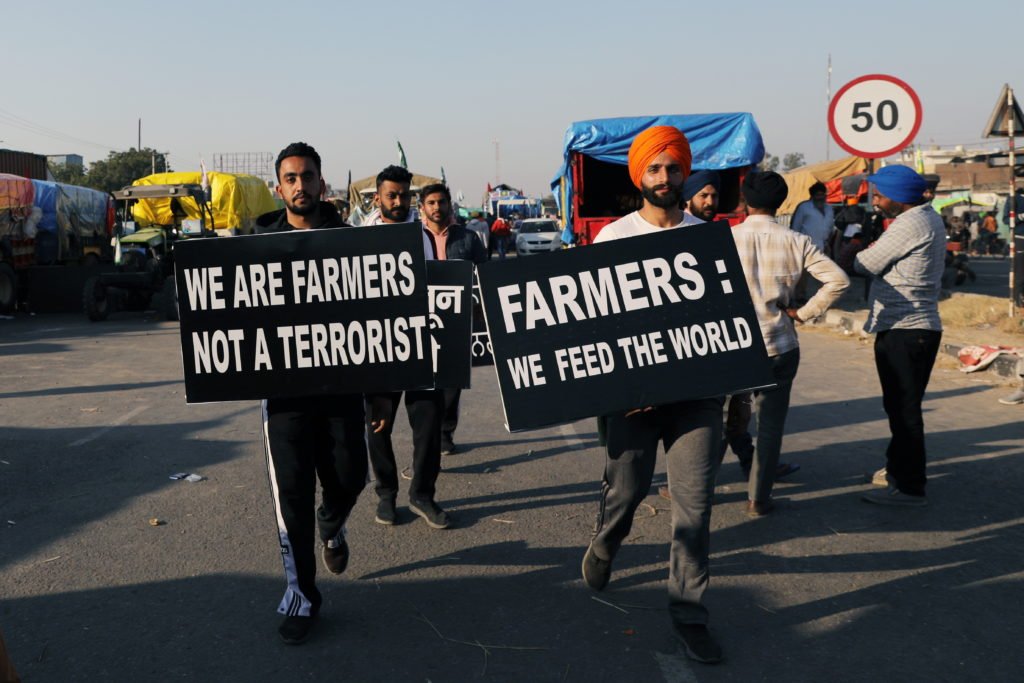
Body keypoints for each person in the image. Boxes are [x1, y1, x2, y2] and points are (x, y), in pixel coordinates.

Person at [581, 125, 723, 664]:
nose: (665, 178)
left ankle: (690, 615)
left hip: (698, 398)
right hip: (632, 399)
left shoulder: (709, 239)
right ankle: (605, 542)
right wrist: (624, 385)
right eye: (655, 168)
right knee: (628, 489)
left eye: (674, 167)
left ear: (687, 172)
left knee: (694, 508)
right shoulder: (613, 239)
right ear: (638, 174)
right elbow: (596, 325)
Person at [255, 142, 388, 645]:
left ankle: (332, 524)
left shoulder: (351, 242)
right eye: (290, 178)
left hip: (340, 390)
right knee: (291, 502)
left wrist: (378, 390)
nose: (300, 186)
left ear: (321, 183)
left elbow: (377, 319)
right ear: (279, 186)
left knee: (351, 475)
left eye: (307, 176)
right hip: (283, 398)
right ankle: (302, 597)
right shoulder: (256, 243)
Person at [732, 171, 849, 517]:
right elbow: (838, 281)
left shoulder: (725, 239)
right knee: (770, 427)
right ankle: (758, 498)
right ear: (781, 203)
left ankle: (692, 490)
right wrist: (804, 313)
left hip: (734, 347)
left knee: (725, 423)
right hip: (779, 344)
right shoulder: (797, 241)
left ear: (745, 201)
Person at [363, 165, 450, 530]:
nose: (398, 202)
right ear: (377, 198)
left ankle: (422, 494)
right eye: (391, 196)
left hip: (420, 345)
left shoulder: (424, 237)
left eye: (404, 195)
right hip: (377, 349)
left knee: (428, 425)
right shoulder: (361, 236)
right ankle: (386, 494)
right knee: (378, 427)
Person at [856, 165, 946, 507]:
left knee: (904, 410)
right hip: (913, 327)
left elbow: (865, 263)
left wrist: (860, 250)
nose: (875, 201)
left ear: (898, 195)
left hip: (906, 329)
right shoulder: (926, 217)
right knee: (898, 405)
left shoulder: (910, 223)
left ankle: (910, 487)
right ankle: (897, 469)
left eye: (879, 195)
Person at [418, 183, 486, 454]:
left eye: (441, 202)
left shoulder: (468, 239)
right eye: (431, 203)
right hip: (422, 319)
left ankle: (445, 433)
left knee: (451, 382)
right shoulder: (413, 238)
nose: (437, 207)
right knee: (424, 383)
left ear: (449, 205)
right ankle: (425, 434)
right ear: (422, 207)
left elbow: (484, 275)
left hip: (458, 320)